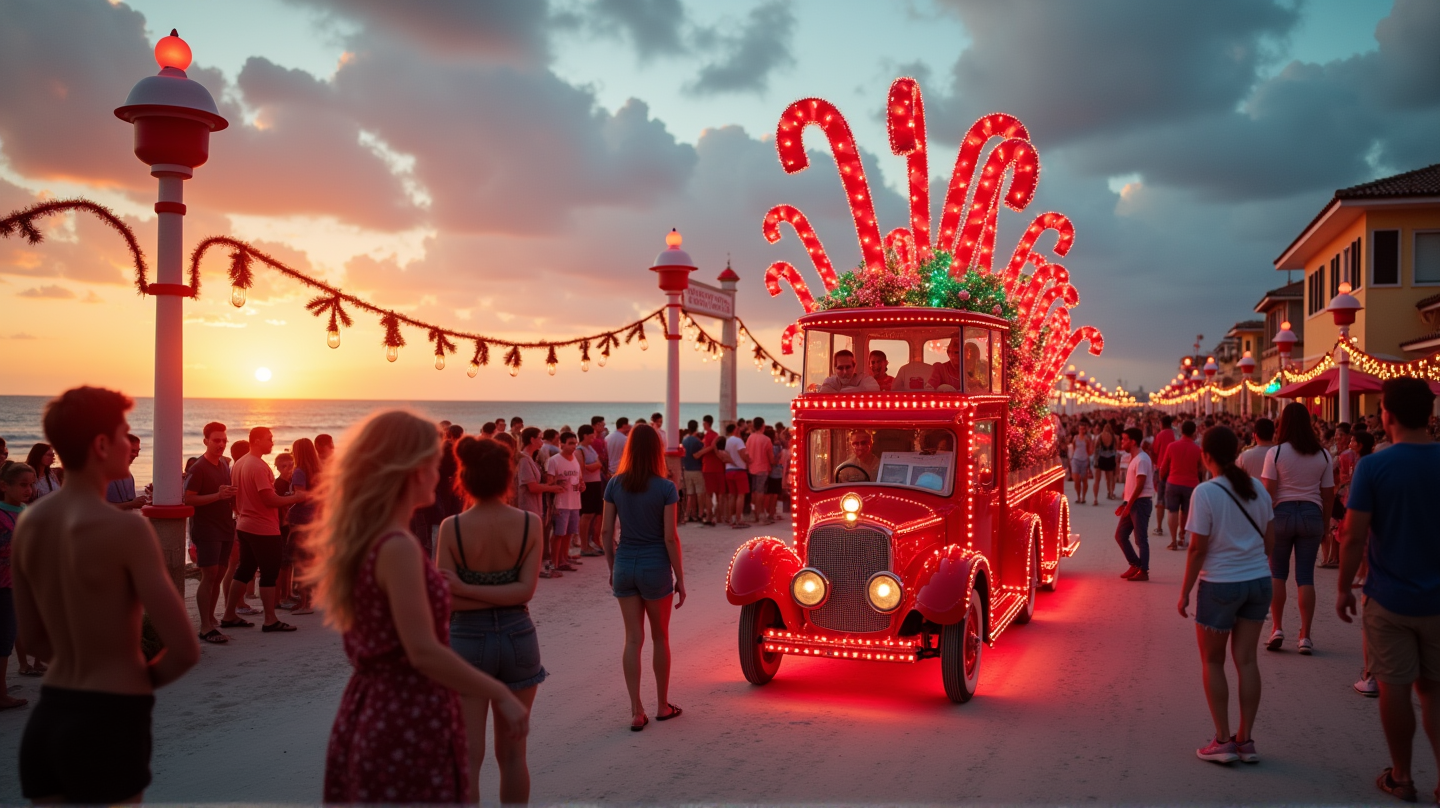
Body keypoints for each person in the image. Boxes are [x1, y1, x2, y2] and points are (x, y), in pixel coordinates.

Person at [309, 410, 528, 803]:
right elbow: (422, 650)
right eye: (434, 460)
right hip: (404, 712)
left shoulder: (372, 538)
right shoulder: (397, 547)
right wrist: (502, 693)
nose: (441, 472)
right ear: (409, 469)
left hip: (373, 704)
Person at [14, 387, 199, 803]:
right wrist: (134, 683)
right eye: (124, 434)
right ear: (101, 445)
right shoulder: (125, 529)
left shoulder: (31, 523)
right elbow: (185, 649)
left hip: (49, 717)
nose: (129, 444)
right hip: (109, 718)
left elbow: (32, 639)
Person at [1337, 379, 1440, 802]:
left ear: (1388, 415)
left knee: (1395, 687)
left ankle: (1402, 776)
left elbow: (1354, 535)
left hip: (1389, 596)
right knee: (1434, 691)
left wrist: (1343, 587)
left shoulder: (1374, 466)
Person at [437, 436, 546, 804]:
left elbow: (446, 599)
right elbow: (523, 592)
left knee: (467, 759)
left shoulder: (451, 527)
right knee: (514, 756)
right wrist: (503, 591)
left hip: (467, 640)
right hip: (518, 636)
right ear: (506, 477)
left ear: (463, 478)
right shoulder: (530, 524)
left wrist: (468, 588)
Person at [1177, 426, 1274, 764]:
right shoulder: (1258, 490)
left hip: (1220, 584)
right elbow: (1270, 542)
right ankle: (1245, 740)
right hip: (1259, 581)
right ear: (1235, 453)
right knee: (1247, 660)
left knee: (1213, 661)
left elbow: (1197, 549)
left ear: (1206, 455)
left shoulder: (1205, 492)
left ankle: (1222, 740)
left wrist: (1184, 592)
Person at [601, 424, 685, 731]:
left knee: (632, 639)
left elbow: (606, 532)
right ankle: (662, 705)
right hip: (655, 567)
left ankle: (636, 710)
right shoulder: (665, 488)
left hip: (625, 563)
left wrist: (613, 567)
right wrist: (681, 578)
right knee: (660, 637)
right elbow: (670, 538)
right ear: (657, 450)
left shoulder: (615, 484)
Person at [1262, 402, 1334, 655]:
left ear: (1283, 423)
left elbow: (1268, 492)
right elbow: (1328, 495)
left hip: (1281, 513)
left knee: (1277, 573)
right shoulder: (1323, 454)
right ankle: (1305, 635)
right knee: (1305, 577)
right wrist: (1325, 525)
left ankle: (1277, 628)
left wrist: (1264, 524)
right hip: (1311, 514)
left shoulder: (1276, 453)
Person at [223, 426, 308, 634]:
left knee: (244, 570)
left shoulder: (239, 463)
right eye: (269, 439)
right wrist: (294, 499)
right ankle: (270, 619)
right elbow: (268, 498)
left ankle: (229, 614)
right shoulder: (259, 466)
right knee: (269, 572)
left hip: (244, 524)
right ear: (256, 440)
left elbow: (235, 497)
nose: (272, 442)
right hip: (263, 527)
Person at [183, 422, 239, 643]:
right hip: (206, 528)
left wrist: (230, 495)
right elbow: (188, 499)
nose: (221, 444)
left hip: (225, 525)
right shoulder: (198, 468)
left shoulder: (224, 465)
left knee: (221, 573)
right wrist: (217, 496)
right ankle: (205, 627)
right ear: (206, 441)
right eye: (217, 440)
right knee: (209, 575)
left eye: (224, 440)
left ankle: (210, 617)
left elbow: (223, 493)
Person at [1, 460, 36, 707]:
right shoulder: (2, 515)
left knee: (5, 639)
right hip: (3, 585)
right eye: (23, 485)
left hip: (16, 583)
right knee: (4, 640)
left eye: (31, 485)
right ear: (4, 486)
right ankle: (1, 696)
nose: (28, 490)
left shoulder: (24, 512)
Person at [516, 428, 564, 578]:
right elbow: (532, 487)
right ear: (531, 440)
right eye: (539, 438)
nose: (542, 441)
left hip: (535, 506)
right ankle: (532, 572)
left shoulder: (530, 459)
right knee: (530, 541)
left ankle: (538, 569)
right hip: (527, 507)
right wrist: (552, 488)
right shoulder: (524, 459)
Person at [286, 437, 322, 616]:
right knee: (309, 561)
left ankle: (304, 604)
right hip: (315, 518)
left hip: (301, 519)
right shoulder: (318, 470)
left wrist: (288, 498)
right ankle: (307, 601)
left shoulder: (299, 471)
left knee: (299, 562)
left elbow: (300, 496)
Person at [1114, 428, 1154, 582]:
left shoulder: (1142, 459)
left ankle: (1143, 570)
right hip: (1133, 502)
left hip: (1140, 502)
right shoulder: (1135, 458)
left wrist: (1129, 505)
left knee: (1140, 539)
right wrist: (1125, 503)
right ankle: (1135, 564)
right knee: (1120, 535)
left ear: (1133, 441)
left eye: (1124, 439)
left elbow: (1140, 484)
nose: (1122, 442)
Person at [1160, 421, 1205, 551]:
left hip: (1173, 482)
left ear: (1181, 431)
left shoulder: (1172, 446)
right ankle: (1182, 536)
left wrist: (1162, 478)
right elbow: (1201, 469)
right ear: (1194, 432)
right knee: (1186, 511)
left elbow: (1164, 466)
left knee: (1172, 511)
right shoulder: (1197, 449)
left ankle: (1173, 541)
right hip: (1191, 484)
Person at [545, 431, 584, 571]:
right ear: (562, 444)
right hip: (560, 503)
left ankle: (563, 560)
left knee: (569, 533)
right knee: (559, 534)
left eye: (575, 443)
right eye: (571, 443)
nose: (574, 446)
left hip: (575, 502)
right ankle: (554, 563)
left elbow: (579, 480)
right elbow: (549, 483)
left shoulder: (575, 460)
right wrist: (558, 482)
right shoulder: (554, 460)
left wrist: (582, 486)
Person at [577, 424, 606, 554]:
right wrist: (594, 465)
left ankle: (590, 542)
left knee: (594, 514)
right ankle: (584, 546)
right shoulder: (580, 450)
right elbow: (583, 467)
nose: (593, 438)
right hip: (588, 484)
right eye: (591, 436)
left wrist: (595, 465)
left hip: (595, 483)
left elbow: (598, 463)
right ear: (585, 435)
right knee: (586, 514)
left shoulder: (590, 449)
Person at [105, 434, 149, 511]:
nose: (136, 455)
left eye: (137, 451)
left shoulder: (128, 476)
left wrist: (144, 500)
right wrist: (131, 504)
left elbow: (130, 504)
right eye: (132, 451)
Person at [745, 417, 774, 526]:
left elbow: (747, 454)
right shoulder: (766, 440)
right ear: (763, 426)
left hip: (752, 468)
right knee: (760, 492)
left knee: (754, 492)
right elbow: (771, 458)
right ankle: (761, 514)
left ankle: (755, 514)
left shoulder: (750, 438)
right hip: (762, 468)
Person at [721, 423, 750, 529]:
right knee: (741, 495)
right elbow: (742, 454)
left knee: (732, 495)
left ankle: (732, 518)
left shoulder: (727, 441)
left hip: (729, 470)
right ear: (735, 430)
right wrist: (748, 460)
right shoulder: (738, 441)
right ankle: (739, 519)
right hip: (739, 470)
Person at [696, 415, 723, 527]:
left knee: (708, 494)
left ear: (706, 423)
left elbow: (710, 448)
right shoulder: (716, 435)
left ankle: (709, 516)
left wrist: (699, 453)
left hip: (709, 467)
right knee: (719, 493)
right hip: (718, 467)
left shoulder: (709, 436)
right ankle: (719, 516)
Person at [680, 421, 705, 523]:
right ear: (696, 428)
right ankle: (699, 514)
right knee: (700, 493)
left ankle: (688, 514)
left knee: (690, 493)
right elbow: (699, 455)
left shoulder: (684, 440)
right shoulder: (697, 442)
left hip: (687, 469)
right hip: (697, 469)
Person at [1070, 421, 1093, 505]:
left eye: (1083, 429)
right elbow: (1074, 448)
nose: (1081, 430)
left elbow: (1089, 451)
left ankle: (1083, 497)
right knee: (1076, 480)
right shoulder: (1075, 438)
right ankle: (1078, 496)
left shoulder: (1087, 439)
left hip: (1084, 460)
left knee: (1084, 479)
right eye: (1080, 429)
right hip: (1076, 459)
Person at [1095, 423, 1119, 501]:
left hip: (1102, 457)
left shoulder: (1101, 436)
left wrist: (1096, 457)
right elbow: (1116, 447)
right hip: (1111, 458)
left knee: (1101, 478)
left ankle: (1098, 497)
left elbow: (1096, 446)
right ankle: (1110, 492)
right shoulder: (1114, 437)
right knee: (1110, 477)